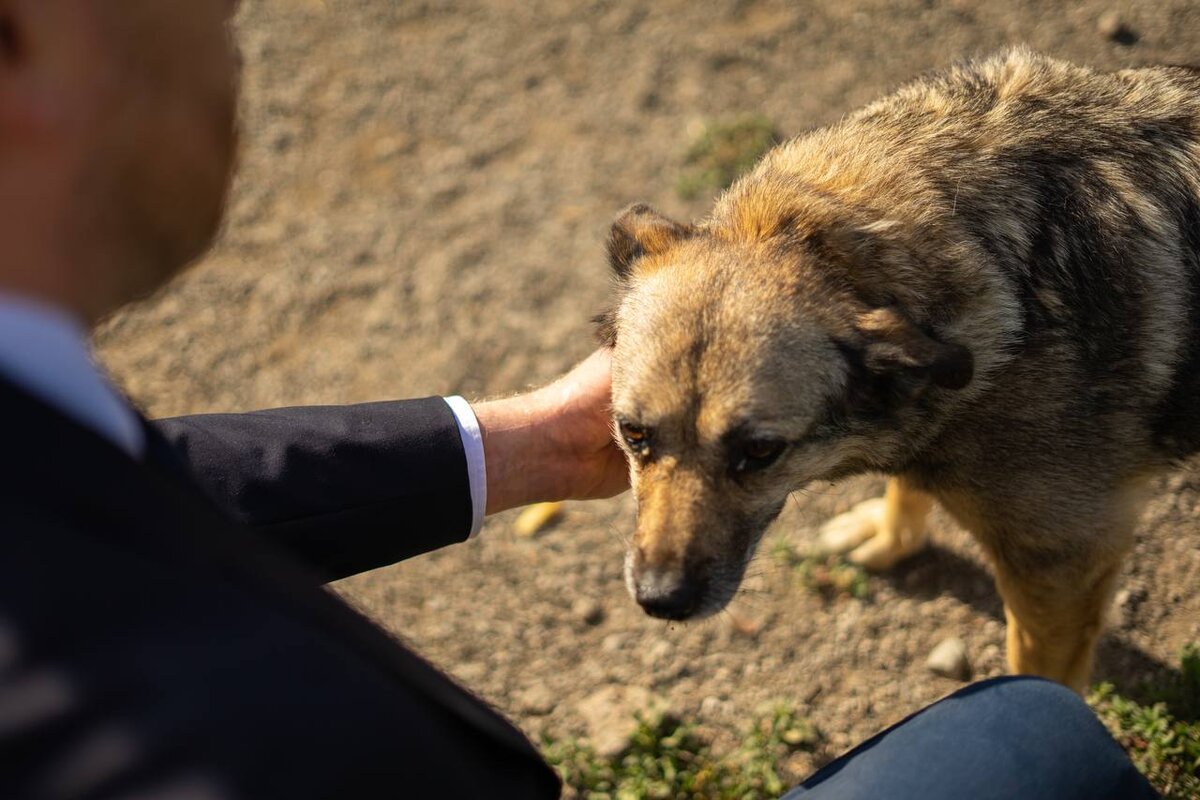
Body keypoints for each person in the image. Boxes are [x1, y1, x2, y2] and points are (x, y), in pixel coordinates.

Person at [0, 2, 1160, 798]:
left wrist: (537, 446)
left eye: (749, 455)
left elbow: (1068, 535)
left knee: (1035, 708)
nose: (662, 554)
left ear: (900, 367)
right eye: (638, 438)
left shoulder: (997, 373)